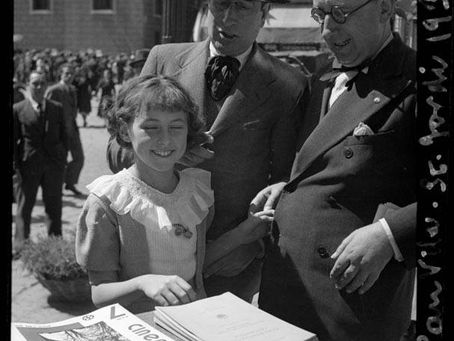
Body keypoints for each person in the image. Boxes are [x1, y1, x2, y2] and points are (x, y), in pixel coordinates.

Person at [105, 0, 308, 302]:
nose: (227, 18)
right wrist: (166, 153)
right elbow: (115, 147)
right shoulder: (163, 60)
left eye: (241, 7)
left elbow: (283, 181)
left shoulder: (288, 85)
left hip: (232, 262)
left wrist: (252, 244)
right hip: (151, 253)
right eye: (221, 4)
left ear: (264, 14)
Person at [255, 0, 417, 340]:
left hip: (351, 309)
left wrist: (389, 234)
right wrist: (287, 188)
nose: (327, 30)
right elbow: (321, 166)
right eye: (320, 14)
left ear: (386, 9)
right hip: (286, 293)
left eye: (341, 13)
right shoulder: (323, 80)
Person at [75, 74, 273, 313]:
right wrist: (142, 283)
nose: (165, 139)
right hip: (140, 325)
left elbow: (194, 264)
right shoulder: (109, 201)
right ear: (125, 131)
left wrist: (243, 233)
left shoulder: (196, 193)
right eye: (151, 127)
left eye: (176, 127)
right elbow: (100, 293)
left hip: (191, 318)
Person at [13, 71, 67, 256]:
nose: (39, 87)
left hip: (53, 166)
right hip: (28, 166)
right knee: (24, 207)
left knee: (54, 207)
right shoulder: (18, 109)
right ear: (27, 85)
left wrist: (62, 161)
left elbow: (64, 136)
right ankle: (21, 246)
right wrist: (16, 168)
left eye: (42, 83)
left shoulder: (56, 107)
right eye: (35, 83)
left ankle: (55, 245)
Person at [46, 64, 85, 196]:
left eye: (71, 74)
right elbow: (46, 111)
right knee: (59, 160)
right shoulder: (54, 90)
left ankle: (69, 182)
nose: (69, 76)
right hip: (59, 132)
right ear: (61, 74)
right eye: (66, 73)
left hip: (72, 130)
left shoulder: (73, 89)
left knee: (79, 158)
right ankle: (56, 185)